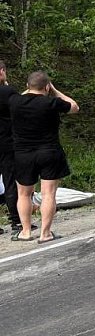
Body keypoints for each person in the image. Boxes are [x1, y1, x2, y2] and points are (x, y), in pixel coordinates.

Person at [10, 71, 80, 243]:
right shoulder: (51, 102)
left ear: (27, 86)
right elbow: (74, 107)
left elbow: (25, 94)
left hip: (23, 154)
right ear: (47, 87)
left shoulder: (14, 102)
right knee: (48, 193)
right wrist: (54, 90)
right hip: (49, 151)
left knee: (23, 194)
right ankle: (45, 233)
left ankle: (25, 231)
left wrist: (30, 89)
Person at [0, 61, 19, 234]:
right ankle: (16, 221)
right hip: (6, 142)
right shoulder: (7, 92)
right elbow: (20, 109)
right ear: (2, 71)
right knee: (10, 181)